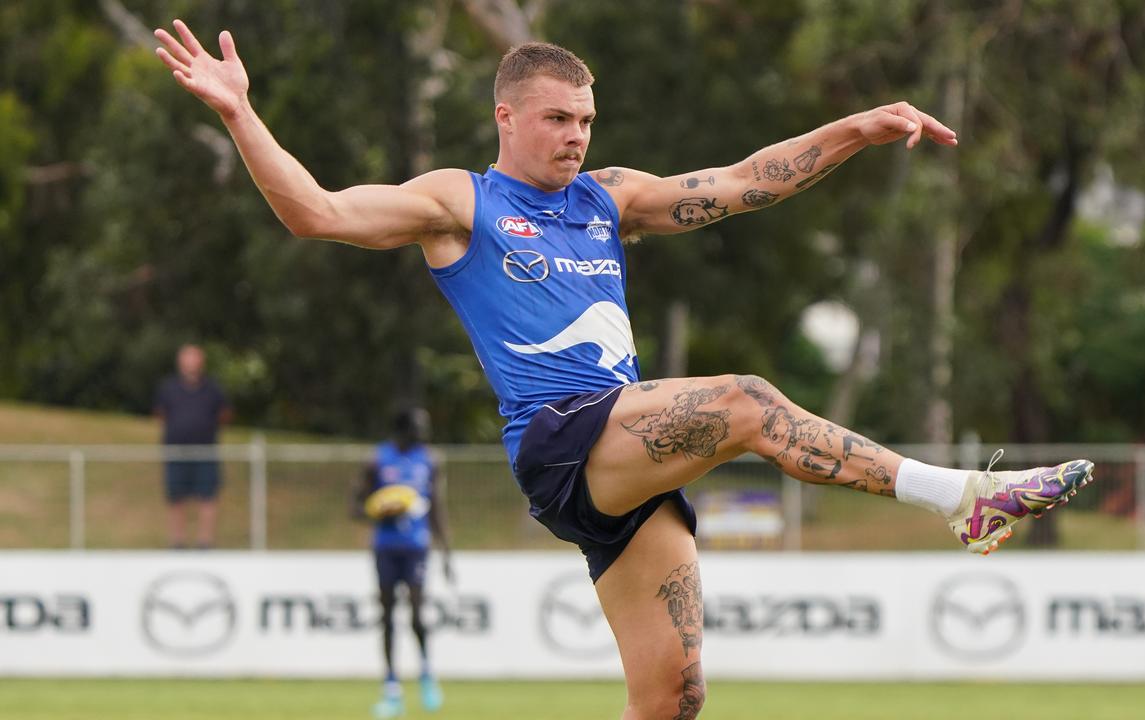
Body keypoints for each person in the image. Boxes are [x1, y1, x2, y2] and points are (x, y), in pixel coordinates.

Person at [154, 22, 1095, 719]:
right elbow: (316, 212)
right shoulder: (459, 202)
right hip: (563, 439)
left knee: (673, 700)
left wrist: (854, 128)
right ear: (507, 116)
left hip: (628, 458)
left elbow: (742, 181)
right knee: (747, 402)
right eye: (558, 119)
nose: (577, 136)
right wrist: (240, 112)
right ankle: (962, 498)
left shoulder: (611, 199)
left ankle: (961, 502)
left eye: (588, 120)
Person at [351, 407, 453, 717]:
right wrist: (379, 511)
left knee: (417, 613)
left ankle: (425, 673)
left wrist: (447, 551)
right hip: (386, 547)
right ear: (404, 428)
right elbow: (354, 505)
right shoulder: (377, 459)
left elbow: (437, 508)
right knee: (387, 615)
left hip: (417, 547)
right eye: (420, 426)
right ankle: (391, 687)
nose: (425, 432)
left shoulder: (430, 460)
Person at [153, 343, 230, 550]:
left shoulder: (212, 388)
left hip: (205, 451)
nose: (191, 363)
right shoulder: (169, 387)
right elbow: (161, 414)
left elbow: (224, 414)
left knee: (208, 495)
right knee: (175, 496)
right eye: (187, 358)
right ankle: (177, 542)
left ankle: (205, 542)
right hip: (176, 451)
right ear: (180, 362)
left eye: (195, 358)